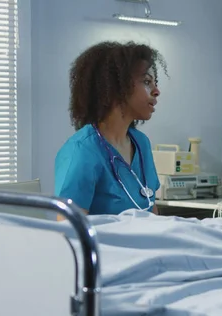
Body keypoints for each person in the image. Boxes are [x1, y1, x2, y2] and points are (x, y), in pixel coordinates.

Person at [54, 41, 167, 217]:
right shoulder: (82, 150)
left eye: (155, 82)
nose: (156, 91)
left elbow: (150, 209)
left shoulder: (141, 143)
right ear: (116, 88)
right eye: (147, 82)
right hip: (104, 245)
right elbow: (69, 229)